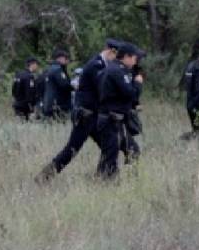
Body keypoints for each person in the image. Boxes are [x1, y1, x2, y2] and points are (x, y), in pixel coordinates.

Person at [36, 39, 120, 183]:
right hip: (85, 116)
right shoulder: (96, 65)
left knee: (110, 146)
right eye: (116, 56)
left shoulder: (102, 64)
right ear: (110, 51)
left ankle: (106, 177)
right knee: (72, 150)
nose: (116, 60)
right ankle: (44, 176)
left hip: (94, 116)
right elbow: (103, 89)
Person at [93, 42, 143, 179]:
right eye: (134, 58)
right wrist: (138, 83)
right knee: (110, 156)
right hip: (110, 121)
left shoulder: (112, 69)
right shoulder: (117, 71)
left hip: (115, 120)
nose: (135, 62)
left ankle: (130, 180)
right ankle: (106, 184)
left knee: (132, 150)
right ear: (126, 57)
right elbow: (131, 94)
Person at [40, 50, 73, 120]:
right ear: (60, 58)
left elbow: (41, 86)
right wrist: (74, 87)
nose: (67, 61)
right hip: (58, 104)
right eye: (65, 58)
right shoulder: (58, 70)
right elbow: (64, 85)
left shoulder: (47, 70)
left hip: (48, 103)